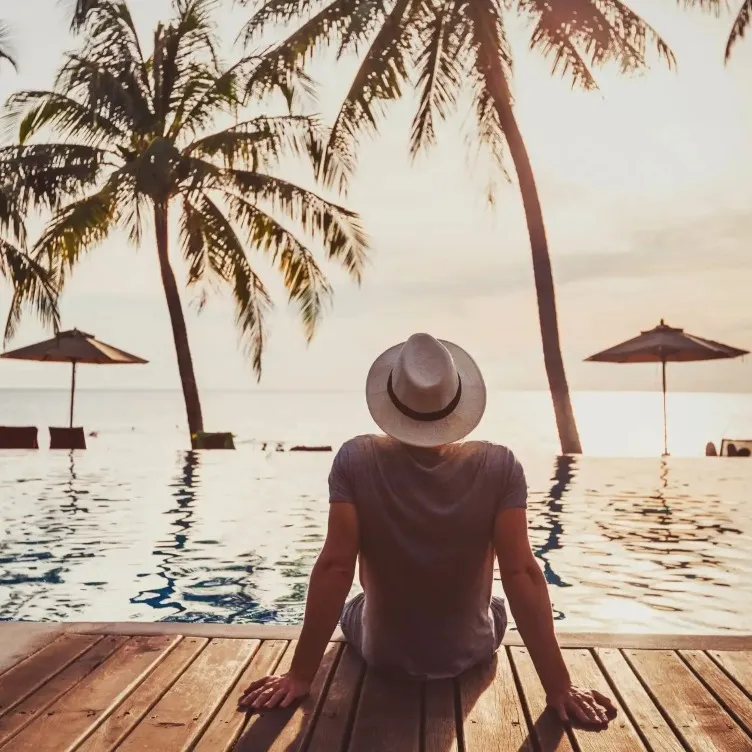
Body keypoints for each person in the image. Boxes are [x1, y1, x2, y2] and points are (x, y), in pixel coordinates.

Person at [238, 334, 616, 726]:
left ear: (391, 398)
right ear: (457, 400)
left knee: (354, 603)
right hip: (469, 651)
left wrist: (300, 675)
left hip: (381, 651)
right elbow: (522, 573)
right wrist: (559, 686)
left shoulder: (356, 458)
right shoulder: (500, 466)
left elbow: (335, 567)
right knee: (498, 604)